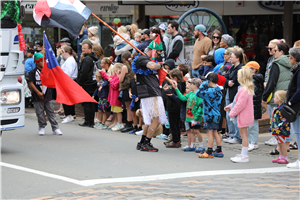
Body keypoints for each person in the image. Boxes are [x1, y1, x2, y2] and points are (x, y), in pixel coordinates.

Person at [133, 36, 168, 152]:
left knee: (151, 119)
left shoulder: (149, 59)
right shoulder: (142, 59)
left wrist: (170, 80)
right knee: (156, 119)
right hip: (150, 91)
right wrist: (161, 64)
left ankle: (142, 142)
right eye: (158, 53)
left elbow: (156, 73)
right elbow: (153, 66)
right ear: (153, 51)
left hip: (151, 90)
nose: (159, 55)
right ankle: (147, 142)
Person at [262, 42, 292, 154]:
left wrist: (265, 96)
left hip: (277, 96)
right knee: (287, 120)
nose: (273, 52)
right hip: (288, 94)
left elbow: (272, 82)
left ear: (281, 52)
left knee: (276, 121)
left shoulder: (276, 63)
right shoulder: (292, 61)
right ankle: (287, 145)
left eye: (275, 50)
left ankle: (280, 148)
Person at [28, 53, 63, 136]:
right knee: (39, 112)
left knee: (51, 111)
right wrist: (38, 92)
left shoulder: (48, 71)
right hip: (38, 95)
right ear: (37, 62)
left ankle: (55, 128)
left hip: (48, 94)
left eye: (44, 60)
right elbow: (31, 83)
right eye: (41, 61)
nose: (43, 62)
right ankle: (42, 126)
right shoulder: (33, 72)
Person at [225, 68, 255, 163]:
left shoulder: (243, 90)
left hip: (243, 116)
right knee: (244, 135)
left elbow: (239, 104)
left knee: (244, 135)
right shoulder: (247, 89)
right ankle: (243, 153)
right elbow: (237, 102)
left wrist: (232, 113)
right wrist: (230, 107)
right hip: (245, 115)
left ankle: (244, 155)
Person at [264, 39, 286, 146]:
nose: (269, 50)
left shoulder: (277, 62)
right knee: (274, 115)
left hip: (275, 93)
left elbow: (273, 80)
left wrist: (265, 94)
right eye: (268, 48)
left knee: (275, 116)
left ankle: (276, 137)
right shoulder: (271, 60)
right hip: (276, 91)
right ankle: (276, 137)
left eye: (272, 48)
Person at [196, 72, 223, 158]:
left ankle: (209, 151)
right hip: (217, 114)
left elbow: (198, 93)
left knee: (210, 133)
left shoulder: (209, 91)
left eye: (207, 80)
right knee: (216, 132)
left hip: (209, 115)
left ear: (210, 81)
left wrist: (203, 84)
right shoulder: (219, 90)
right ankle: (219, 150)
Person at [174, 78, 204, 152]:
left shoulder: (199, 95)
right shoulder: (190, 93)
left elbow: (200, 106)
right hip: (190, 117)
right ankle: (192, 145)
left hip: (195, 117)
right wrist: (176, 89)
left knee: (197, 131)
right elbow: (182, 98)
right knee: (193, 131)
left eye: (191, 84)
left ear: (195, 85)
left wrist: (197, 116)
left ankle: (201, 145)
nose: (190, 85)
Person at [223, 51, 245, 144]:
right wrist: (227, 82)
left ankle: (237, 136)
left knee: (234, 115)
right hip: (229, 92)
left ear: (238, 58)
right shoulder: (232, 67)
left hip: (235, 92)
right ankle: (231, 135)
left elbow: (235, 81)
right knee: (229, 114)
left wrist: (228, 82)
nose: (230, 58)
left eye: (232, 57)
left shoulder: (241, 68)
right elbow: (225, 78)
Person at [243, 61, 264, 151]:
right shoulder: (253, 79)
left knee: (252, 125)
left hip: (253, 104)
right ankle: (252, 142)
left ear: (254, 70)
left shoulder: (253, 80)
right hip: (254, 104)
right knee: (251, 125)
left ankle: (253, 142)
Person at [77, 39, 98, 127]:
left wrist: (80, 82)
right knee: (90, 103)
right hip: (92, 83)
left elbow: (84, 72)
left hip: (87, 83)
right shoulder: (92, 58)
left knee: (86, 103)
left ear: (90, 49)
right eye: (82, 48)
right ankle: (90, 121)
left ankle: (88, 121)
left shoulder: (87, 59)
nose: (83, 50)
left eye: (85, 48)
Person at [286, 46, 300, 168]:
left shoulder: (298, 70)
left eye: (290, 57)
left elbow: (299, 90)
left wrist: (290, 101)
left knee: (298, 133)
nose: (289, 59)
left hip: (297, 106)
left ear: (294, 58)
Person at [165, 68, 186, 148]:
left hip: (174, 107)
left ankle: (176, 141)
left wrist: (167, 90)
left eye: (171, 77)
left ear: (175, 78)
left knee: (174, 125)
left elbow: (172, 93)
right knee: (175, 124)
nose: (170, 79)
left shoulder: (179, 85)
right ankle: (176, 139)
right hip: (174, 106)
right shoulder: (181, 84)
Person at [99, 64, 124, 131]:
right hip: (113, 96)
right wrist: (102, 73)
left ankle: (120, 123)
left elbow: (115, 86)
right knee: (115, 111)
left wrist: (110, 80)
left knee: (118, 111)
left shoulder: (119, 76)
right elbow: (108, 77)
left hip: (116, 97)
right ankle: (116, 123)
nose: (112, 70)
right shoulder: (115, 76)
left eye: (114, 69)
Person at [270, 90, 290, 164]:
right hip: (278, 129)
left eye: (275, 97)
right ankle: (281, 156)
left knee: (282, 143)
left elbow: (285, 120)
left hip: (281, 129)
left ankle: (285, 157)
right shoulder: (278, 107)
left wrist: (279, 126)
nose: (274, 99)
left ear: (280, 99)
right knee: (280, 143)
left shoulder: (283, 108)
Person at [60, 46, 78, 123]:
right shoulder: (69, 60)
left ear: (66, 52)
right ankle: (71, 114)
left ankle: (69, 115)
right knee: (69, 99)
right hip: (69, 81)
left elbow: (68, 73)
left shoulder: (70, 61)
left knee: (66, 99)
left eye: (63, 51)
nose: (62, 53)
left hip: (67, 81)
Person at [119, 51, 135, 132]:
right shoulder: (132, 64)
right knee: (130, 107)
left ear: (123, 59)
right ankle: (130, 123)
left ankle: (129, 124)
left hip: (126, 87)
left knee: (128, 107)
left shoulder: (124, 66)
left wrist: (119, 74)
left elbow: (121, 79)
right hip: (132, 87)